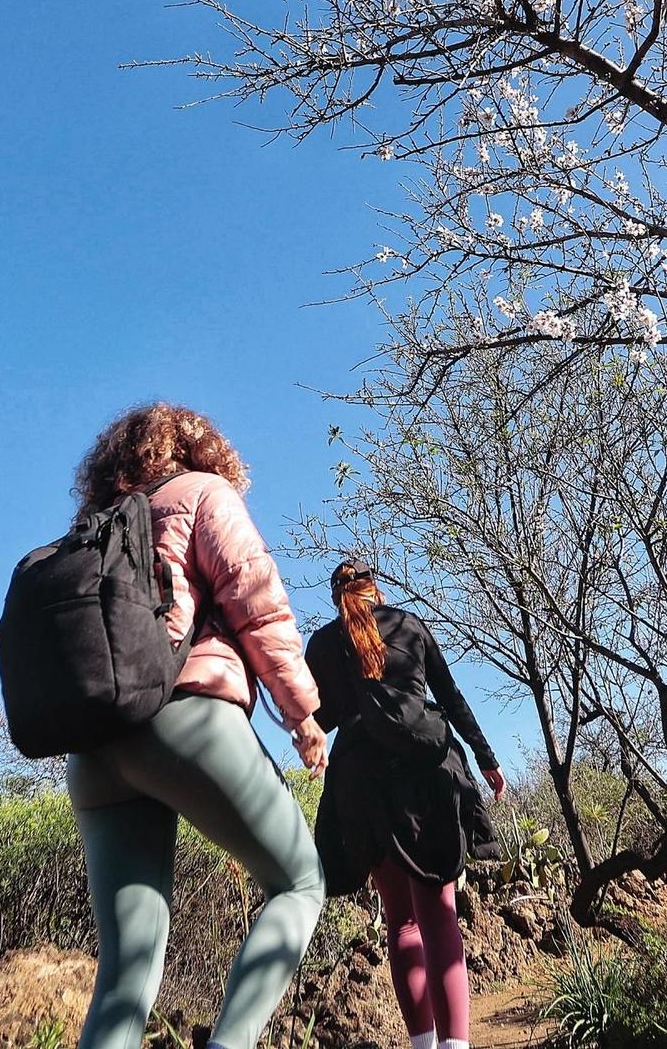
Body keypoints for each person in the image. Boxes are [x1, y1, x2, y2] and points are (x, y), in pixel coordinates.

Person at [63, 402, 329, 1049]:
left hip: (93, 753)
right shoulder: (204, 493)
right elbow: (259, 605)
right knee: (299, 884)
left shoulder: (91, 530)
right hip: (187, 721)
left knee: (125, 972)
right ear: (201, 446)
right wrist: (304, 716)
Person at [305, 559, 506, 1049]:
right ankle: (454, 1045)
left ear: (336, 598)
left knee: (402, 922)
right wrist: (485, 758)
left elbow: (320, 717)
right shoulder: (409, 625)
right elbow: (450, 696)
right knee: (439, 915)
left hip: (361, 783)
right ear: (376, 588)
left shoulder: (323, 645)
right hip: (425, 773)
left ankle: (421, 1043)